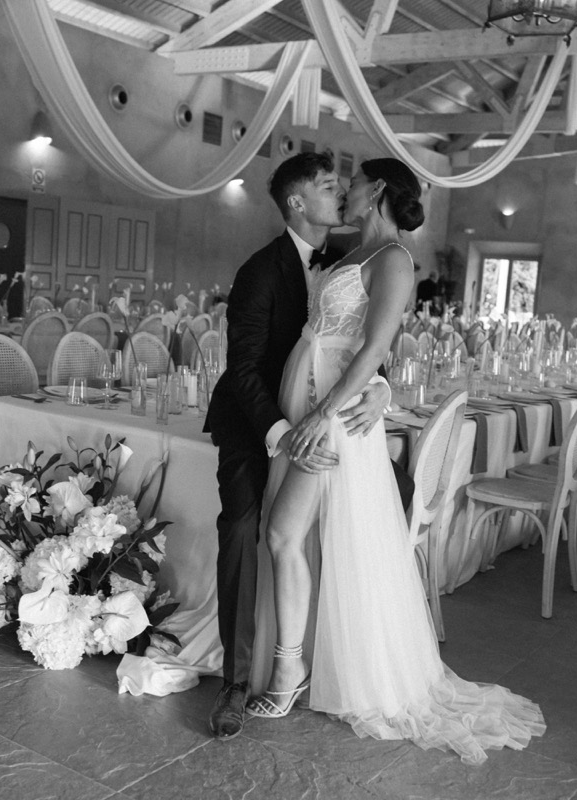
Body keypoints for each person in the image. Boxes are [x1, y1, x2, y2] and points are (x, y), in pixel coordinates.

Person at [246, 158, 545, 764]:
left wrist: (326, 412)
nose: (344, 191)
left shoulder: (395, 260)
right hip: (312, 399)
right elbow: (346, 339)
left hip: (332, 413)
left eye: (352, 182)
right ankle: (305, 662)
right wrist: (362, 390)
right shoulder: (351, 253)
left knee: (282, 534)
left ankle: (289, 670)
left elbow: (376, 344)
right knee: (296, 537)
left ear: (377, 189)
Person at [203, 152, 393, 741]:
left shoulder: (346, 263)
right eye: (329, 186)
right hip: (255, 423)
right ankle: (236, 682)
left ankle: (342, 656)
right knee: (243, 527)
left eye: (342, 186)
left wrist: (381, 390)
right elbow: (242, 371)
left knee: (370, 502)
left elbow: (363, 344)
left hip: (318, 419)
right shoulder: (260, 271)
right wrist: (284, 436)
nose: (340, 194)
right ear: (296, 202)